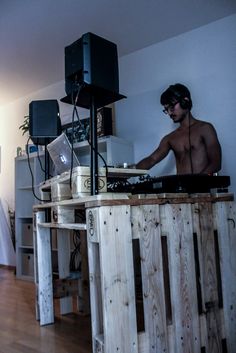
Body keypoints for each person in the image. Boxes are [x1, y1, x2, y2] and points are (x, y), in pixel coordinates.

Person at [136, 83, 222, 175]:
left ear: (185, 102)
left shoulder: (205, 128)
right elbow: (152, 159)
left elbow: (216, 163)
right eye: (166, 109)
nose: (169, 113)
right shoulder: (169, 138)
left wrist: (198, 182)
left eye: (172, 107)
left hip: (203, 188)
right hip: (181, 188)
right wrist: (126, 170)